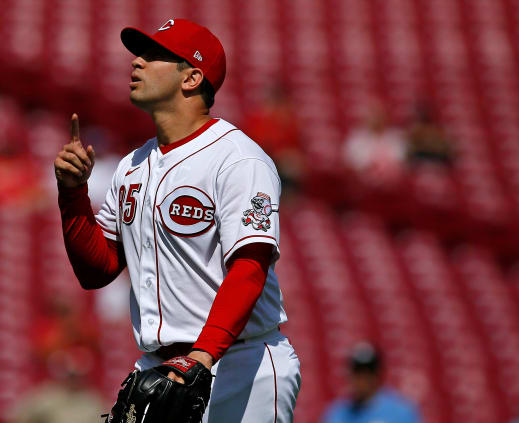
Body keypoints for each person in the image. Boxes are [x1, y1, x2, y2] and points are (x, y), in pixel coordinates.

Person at [54, 18, 301, 422]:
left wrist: (201, 358)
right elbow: (97, 270)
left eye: (154, 56)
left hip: (240, 364)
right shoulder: (131, 166)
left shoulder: (239, 159)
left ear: (192, 78)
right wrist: (72, 194)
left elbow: (250, 267)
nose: (136, 62)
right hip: (161, 366)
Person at [322, 342, 422, 423]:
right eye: (357, 372)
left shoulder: (401, 411)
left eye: (367, 372)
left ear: (377, 374)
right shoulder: (337, 412)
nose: (362, 378)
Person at [342, 104, 407, 187]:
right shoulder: (357, 139)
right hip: (363, 182)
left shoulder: (396, 137)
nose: (376, 120)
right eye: (373, 117)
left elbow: (401, 162)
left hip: (392, 183)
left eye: (379, 117)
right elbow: (351, 162)